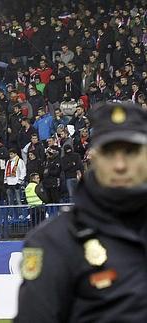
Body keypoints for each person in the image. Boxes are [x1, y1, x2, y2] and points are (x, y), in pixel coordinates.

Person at [16, 102, 147, 322]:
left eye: (131, 152)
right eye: (109, 152)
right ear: (93, 158)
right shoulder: (54, 242)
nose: (120, 165)